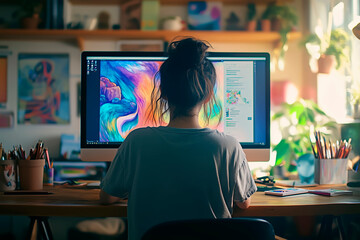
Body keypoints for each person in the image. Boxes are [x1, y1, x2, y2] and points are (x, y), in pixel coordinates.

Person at [99, 37, 257, 240]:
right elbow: (244, 203)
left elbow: (106, 197)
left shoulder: (136, 141)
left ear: (163, 92)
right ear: (208, 95)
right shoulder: (229, 146)